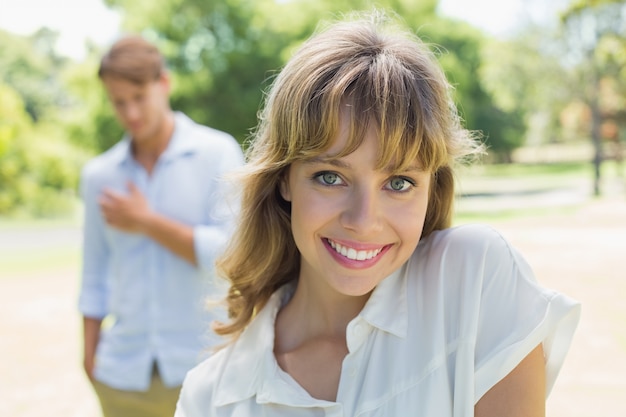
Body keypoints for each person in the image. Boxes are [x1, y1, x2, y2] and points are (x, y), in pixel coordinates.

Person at [175, 10, 581, 417]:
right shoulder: (211, 397)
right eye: (330, 177)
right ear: (284, 178)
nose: (363, 220)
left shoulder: (474, 279)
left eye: (399, 183)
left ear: (430, 190)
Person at [78, 35, 244, 417]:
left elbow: (231, 256)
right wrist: (90, 360)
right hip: (121, 375)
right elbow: (94, 273)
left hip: (203, 366)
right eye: (119, 102)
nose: (131, 113)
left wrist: (147, 221)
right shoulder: (99, 176)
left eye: (139, 97)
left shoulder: (216, 153)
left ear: (164, 84)